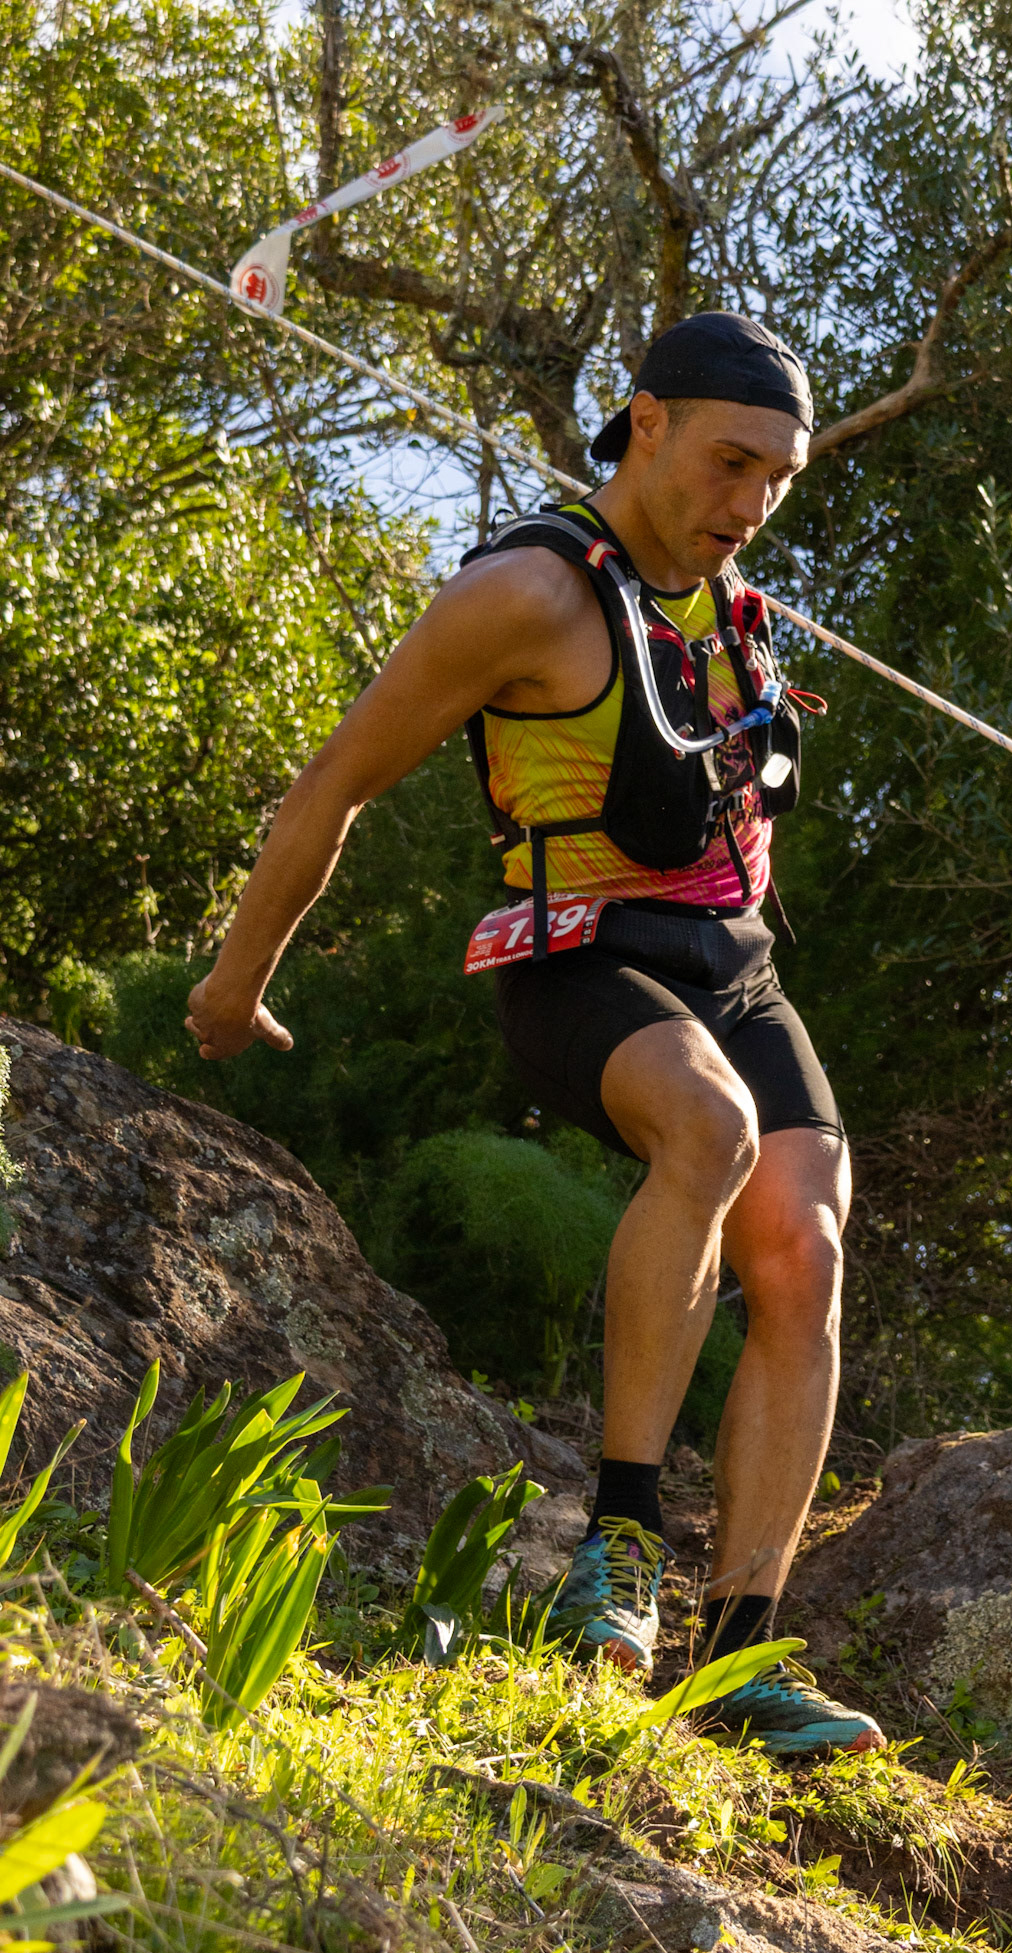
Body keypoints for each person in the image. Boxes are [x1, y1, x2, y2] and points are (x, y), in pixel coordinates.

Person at [185, 310, 884, 1759]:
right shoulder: (526, 593)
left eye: (781, 478)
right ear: (646, 422)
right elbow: (335, 783)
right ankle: (617, 1554)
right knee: (712, 1131)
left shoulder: (729, 603)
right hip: (580, 959)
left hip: (733, 966)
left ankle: (740, 1657)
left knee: (806, 1246)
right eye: (731, 463)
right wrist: (237, 981)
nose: (752, 503)